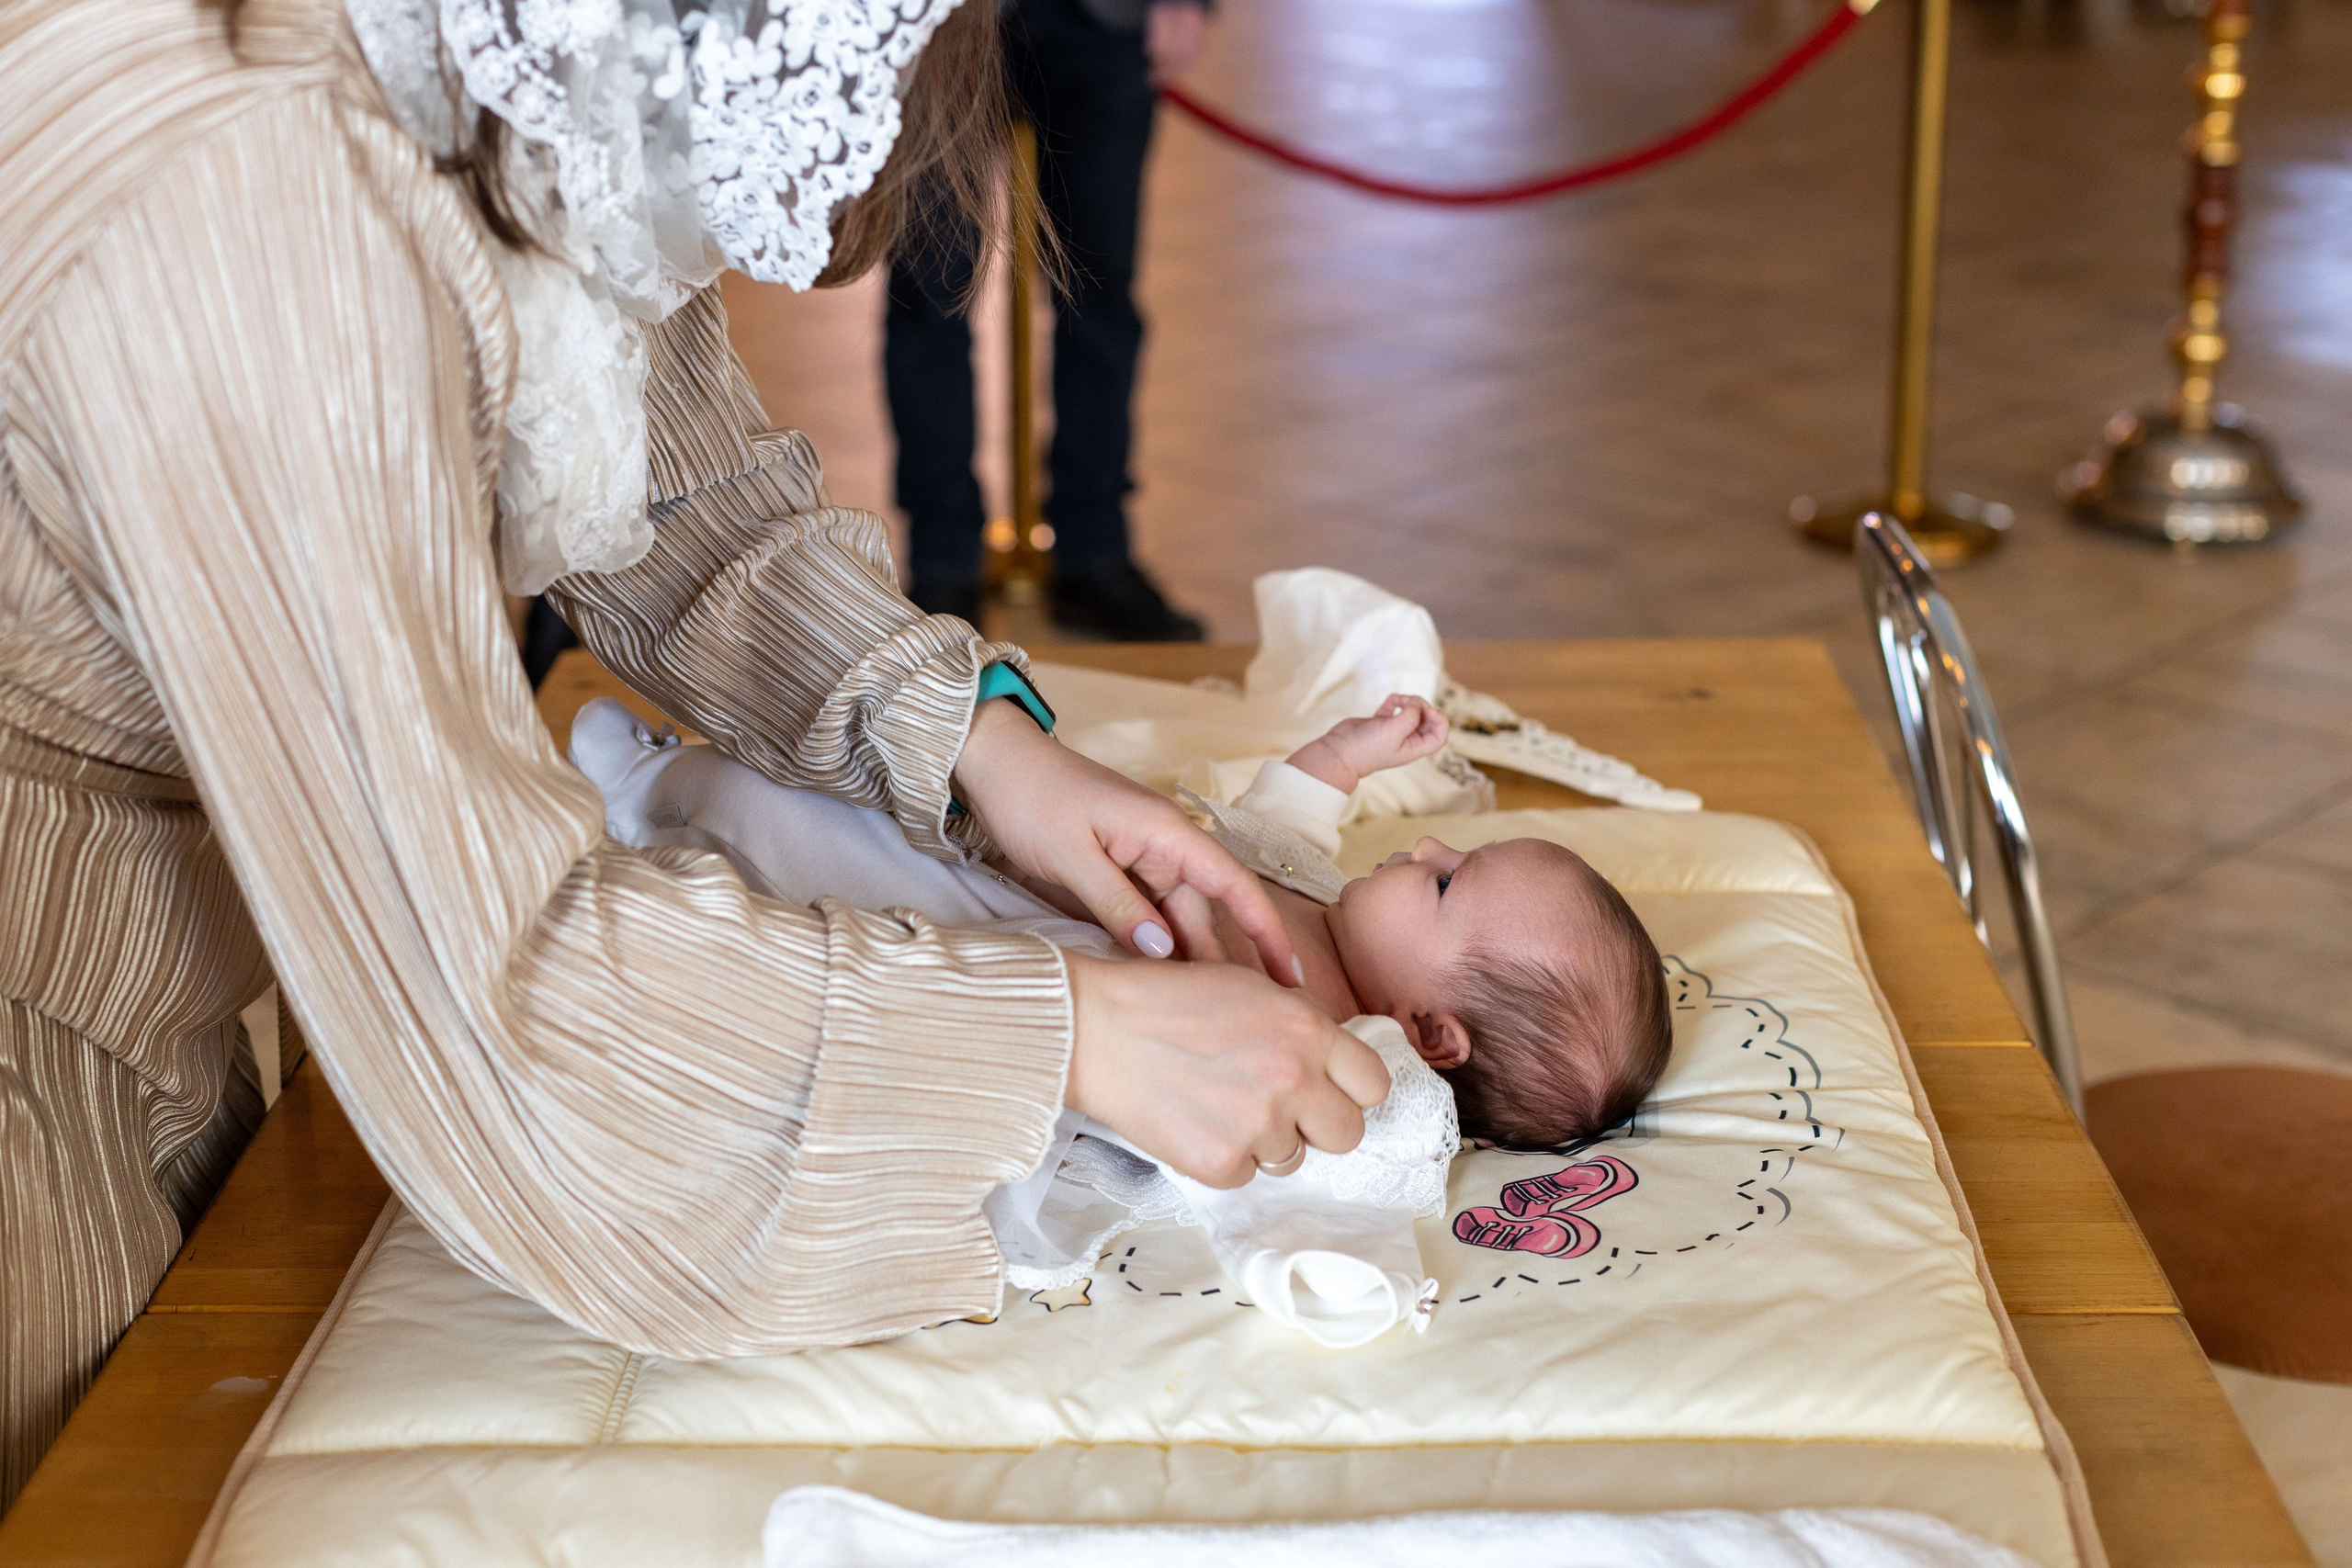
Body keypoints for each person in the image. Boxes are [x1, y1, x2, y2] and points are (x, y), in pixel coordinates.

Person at [0, 0, 1386, 1509]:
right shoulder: (250, 210)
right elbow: (494, 995)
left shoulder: (536, 56)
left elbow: (681, 489)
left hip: (165, 938)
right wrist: (1064, 1038)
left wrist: (979, 740)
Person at [578, 691, 1675, 1154]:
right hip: (1024, 849)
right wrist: (1339, 759)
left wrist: (1198, 907)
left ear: (1428, 1032)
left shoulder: (1329, 1032)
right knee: (859, 789)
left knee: (802, 845)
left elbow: (1232, 1019)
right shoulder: (1332, 914)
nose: (1426, 848)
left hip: (1000, 933)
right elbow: (1272, 832)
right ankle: (679, 779)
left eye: (1447, 882)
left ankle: (650, 798)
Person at [885, 0, 1213, 639]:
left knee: (1101, 297)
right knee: (927, 298)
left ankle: (1094, 552)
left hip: (1102, 20)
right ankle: (942, 560)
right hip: (932, 20)